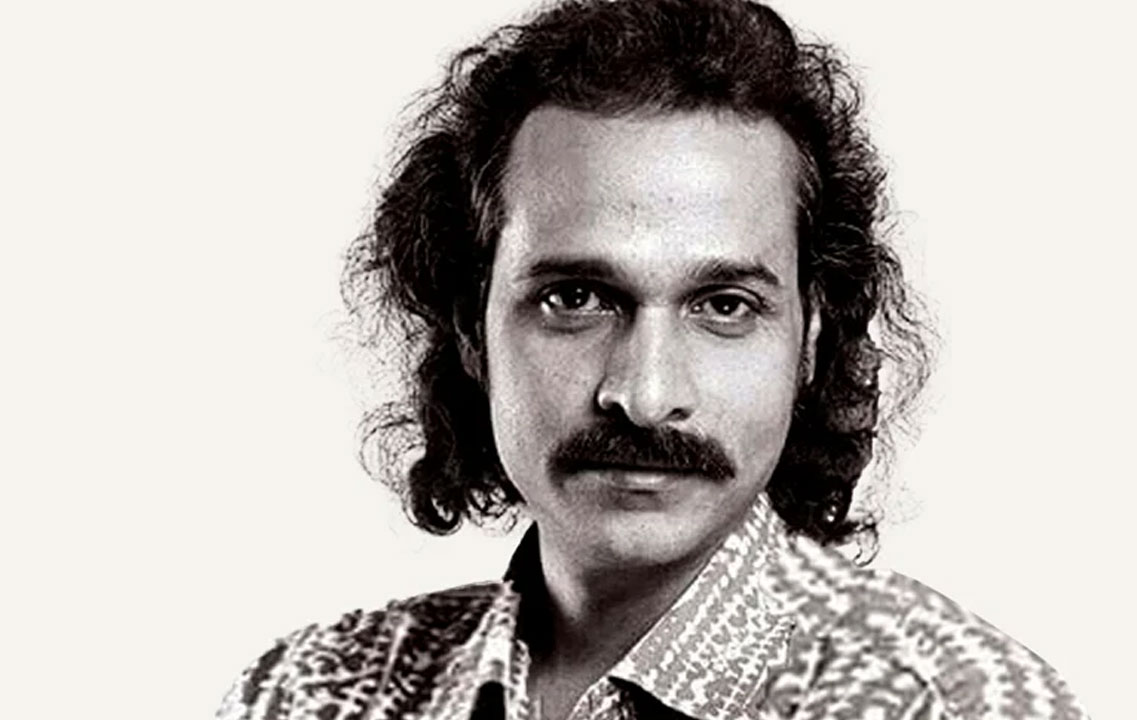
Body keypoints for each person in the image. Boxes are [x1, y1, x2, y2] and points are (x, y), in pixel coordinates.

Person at [217, 0, 1088, 718]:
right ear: (471, 328)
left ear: (811, 341)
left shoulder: (955, 704)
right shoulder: (310, 692)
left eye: (724, 306)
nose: (644, 393)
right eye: (575, 298)